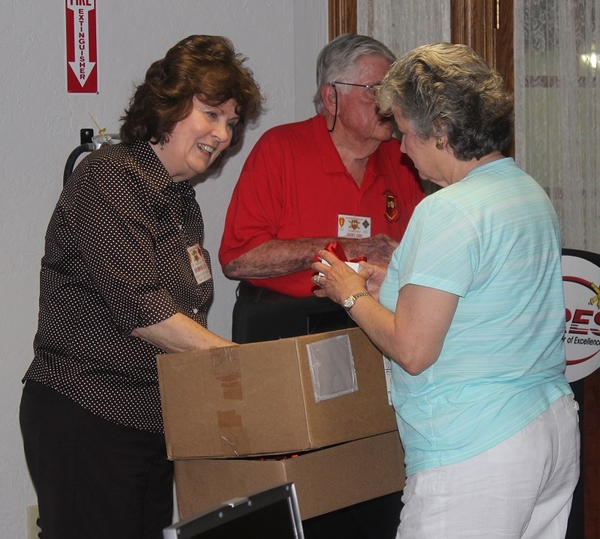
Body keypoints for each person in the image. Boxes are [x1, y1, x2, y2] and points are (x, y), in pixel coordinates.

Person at [312, 42, 580, 539]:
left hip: (476, 446)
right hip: (547, 428)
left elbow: (413, 350)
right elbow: (476, 296)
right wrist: (385, 282)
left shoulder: (447, 209)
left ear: (440, 131)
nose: (401, 147)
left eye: (408, 132)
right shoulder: (526, 191)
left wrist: (352, 294)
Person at [19, 35, 263, 539]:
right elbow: (144, 310)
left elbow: (186, 313)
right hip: (88, 415)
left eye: (231, 122)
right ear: (168, 104)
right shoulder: (108, 178)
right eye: (212, 114)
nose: (222, 134)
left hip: (153, 423)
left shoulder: (181, 201)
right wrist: (247, 366)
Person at [219, 33, 425, 344]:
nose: (389, 103)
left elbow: (423, 257)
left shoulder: (402, 158)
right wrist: (350, 247)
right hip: (284, 326)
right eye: (375, 91)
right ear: (332, 98)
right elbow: (239, 259)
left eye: (393, 92)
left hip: (376, 321)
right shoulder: (281, 148)